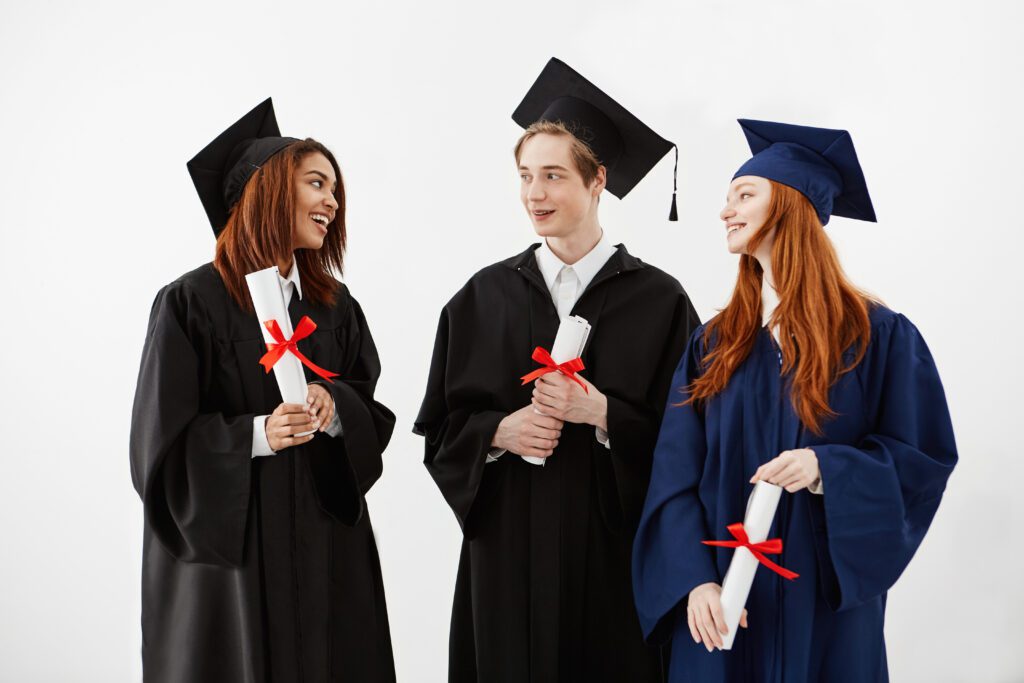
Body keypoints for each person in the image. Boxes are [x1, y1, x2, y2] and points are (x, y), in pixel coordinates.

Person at [632, 119, 958, 682]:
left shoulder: (878, 337)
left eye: (744, 194)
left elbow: (921, 463)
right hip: (725, 600)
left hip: (823, 606)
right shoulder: (714, 345)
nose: (725, 210)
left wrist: (826, 467)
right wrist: (692, 579)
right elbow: (674, 476)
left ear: (789, 204)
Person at [414, 58, 700, 682]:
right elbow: (439, 430)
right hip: (507, 558)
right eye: (524, 177)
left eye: (552, 175)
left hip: (610, 557)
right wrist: (497, 433)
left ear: (598, 181)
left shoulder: (661, 302)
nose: (534, 194)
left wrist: (603, 415)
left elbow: (694, 441)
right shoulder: (481, 298)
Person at [130, 99, 396, 682]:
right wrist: (256, 435)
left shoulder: (335, 307)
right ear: (271, 189)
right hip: (234, 557)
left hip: (325, 549)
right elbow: (158, 452)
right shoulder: (190, 303)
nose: (332, 201)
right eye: (317, 183)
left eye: (335, 189)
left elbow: (368, 409)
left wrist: (336, 409)